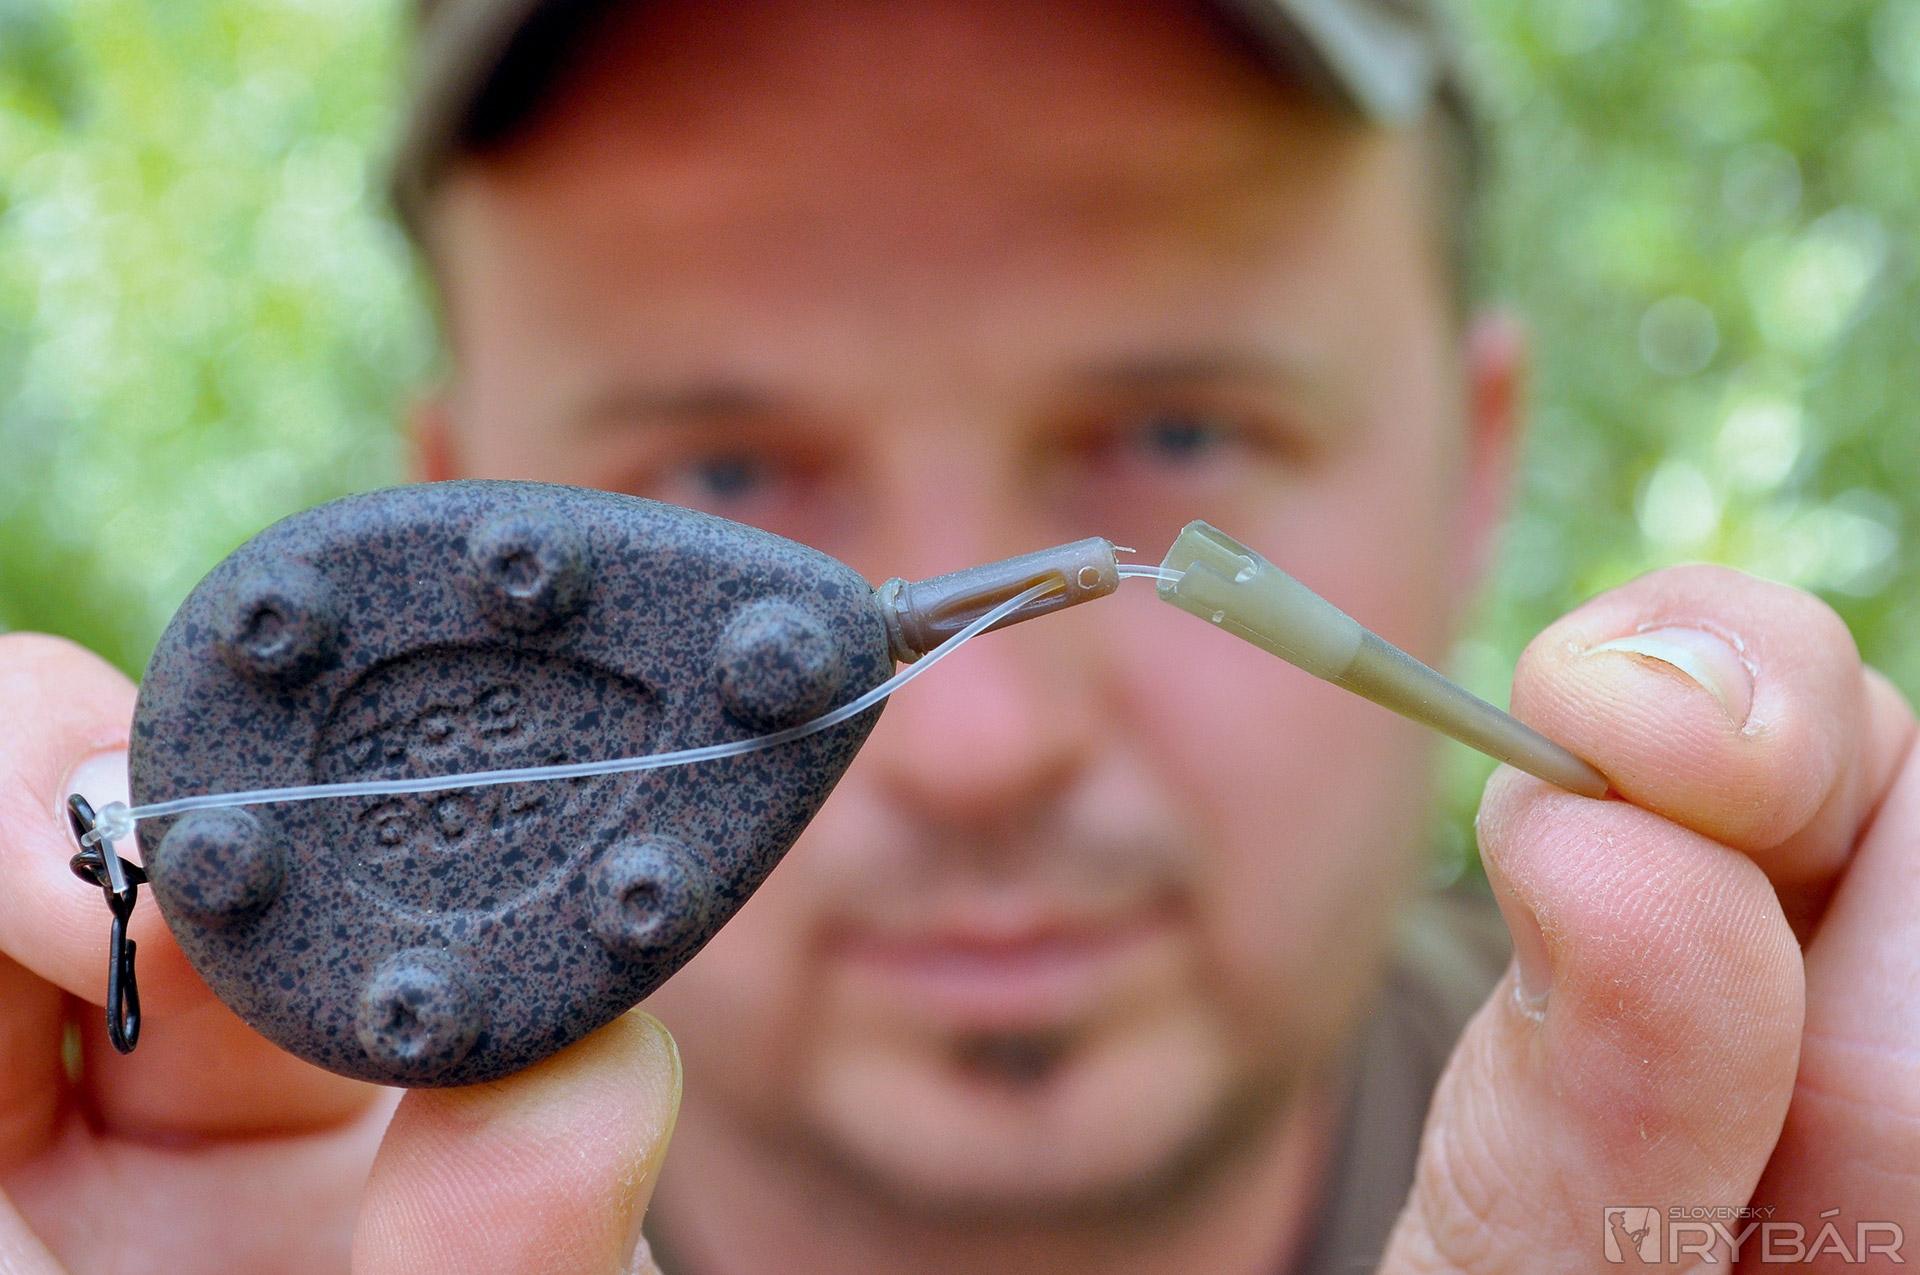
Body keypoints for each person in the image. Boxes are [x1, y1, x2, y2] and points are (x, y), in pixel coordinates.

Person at [2, 0, 1915, 1271]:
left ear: (1473, 470)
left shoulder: (1780, 1161)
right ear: (442, 506)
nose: (980, 744)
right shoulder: (219, 1203)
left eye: (1180, 429)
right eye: (726, 468)